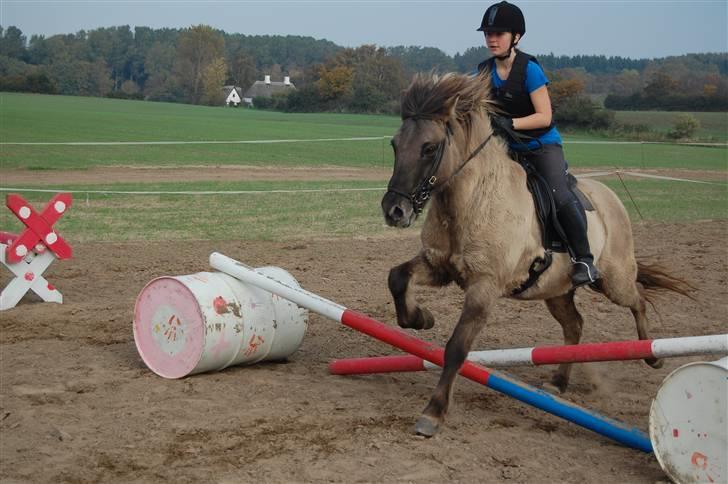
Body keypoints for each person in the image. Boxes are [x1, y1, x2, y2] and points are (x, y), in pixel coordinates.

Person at [475, 0, 600, 287]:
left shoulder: (529, 69)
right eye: (488, 34)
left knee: (558, 194)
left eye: (498, 33)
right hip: (505, 151)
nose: (491, 39)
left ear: (515, 36)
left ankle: (584, 259)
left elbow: (545, 116)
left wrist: (511, 124)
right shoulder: (482, 71)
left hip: (541, 147)